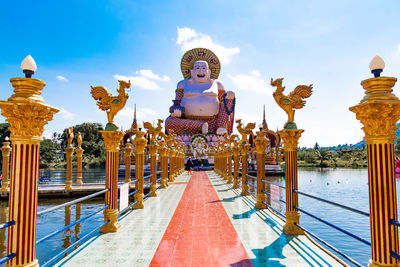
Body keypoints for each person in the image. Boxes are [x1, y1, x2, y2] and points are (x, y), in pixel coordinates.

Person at [165, 48, 236, 135]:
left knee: (227, 99)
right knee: (169, 122)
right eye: (197, 68)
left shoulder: (217, 84)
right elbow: (177, 103)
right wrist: (176, 111)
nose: (201, 71)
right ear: (192, 72)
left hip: (214, 123)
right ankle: (200, 126)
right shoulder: (183, 84)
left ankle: (221, 126)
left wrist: (229, 97)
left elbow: (223, 104)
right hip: (188, 122)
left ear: (209, 72)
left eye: (204, 68)